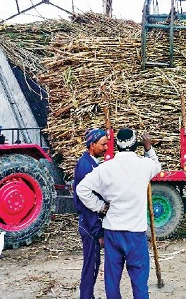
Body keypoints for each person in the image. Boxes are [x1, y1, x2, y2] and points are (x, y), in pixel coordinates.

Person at [77, 128, 161, 299]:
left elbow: (82, 189)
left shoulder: (105, 168)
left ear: (116, 146)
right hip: (135, 234)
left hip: (112, 233)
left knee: (112, 281)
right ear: (135, 145)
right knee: (139, 282)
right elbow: (156, 166)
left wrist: (100, 206)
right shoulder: (144, 165)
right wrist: (148, 147)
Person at [73, 128, 109, 299]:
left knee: (93, 263)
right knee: (91, 266)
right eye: (103, 144)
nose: (106, 148)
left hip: (90, 223)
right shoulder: (86, 166)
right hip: (89, 225)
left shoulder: (91, 162)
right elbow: (87, 205)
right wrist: (97, 232)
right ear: (92, 145)